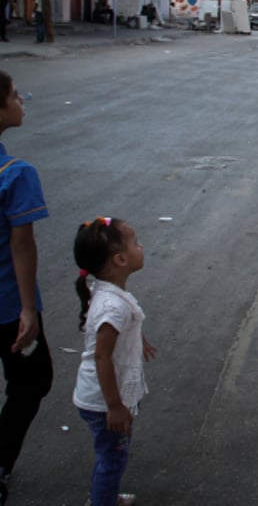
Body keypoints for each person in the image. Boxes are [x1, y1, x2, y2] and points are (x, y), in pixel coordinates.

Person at [73, 217, 154, 506]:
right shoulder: (113, 306)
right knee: (113, 459)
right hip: (103, 401)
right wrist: (115, 406)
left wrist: (138, 339)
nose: (141, 246)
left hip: (102, 397)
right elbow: (102, 356)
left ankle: (104, 495)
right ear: (120, 259)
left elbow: (113, 337)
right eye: (135, 243)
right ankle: (102, 499)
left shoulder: (109, 295)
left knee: (111, 455)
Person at [0, 71, 51, 505]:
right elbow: (22, 245)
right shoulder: (15, 174)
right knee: (33, 380)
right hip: (7, 306)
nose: (21, 101)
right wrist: (28, 310)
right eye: (15, 96)